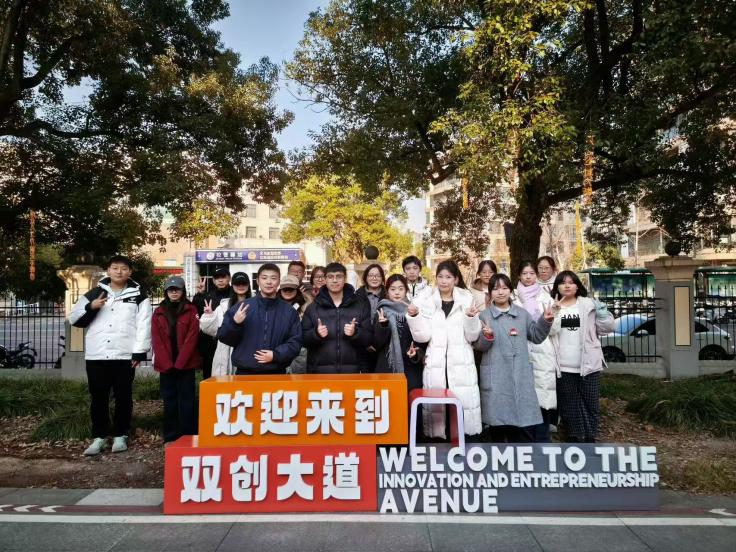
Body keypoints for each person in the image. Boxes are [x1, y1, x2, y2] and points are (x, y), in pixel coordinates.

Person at [69, 255, 151, 456]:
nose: (119, 272)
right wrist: (91, 307)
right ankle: (99, 437)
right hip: (97, 355)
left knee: (124, 396)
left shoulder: (139, 296)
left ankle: (121, 435)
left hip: (124, 355)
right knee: (98, 397)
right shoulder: (95, 293)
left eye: (124, 268)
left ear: (130, 272)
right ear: (108, 270)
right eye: (115, 268)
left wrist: (139, 352)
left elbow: (144, 325)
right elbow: (74, 319)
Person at [472, 273, 555, 443]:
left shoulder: (522, 314)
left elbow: (536, 336)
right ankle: (499, 456)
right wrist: (487, 336)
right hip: (496, 376)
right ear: (490, 292)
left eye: (504, 288)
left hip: (519, 375)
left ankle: (519, 457)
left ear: (510, 290)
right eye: (496, 289)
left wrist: (545, 321)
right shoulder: (484, 316)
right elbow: (479, 346)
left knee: (520, 424)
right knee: (497, 425)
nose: (500, 292)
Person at [406, 259, 482, 439]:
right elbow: (422, 337)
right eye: (440, 276)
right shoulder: (427, 301)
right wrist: (414, 316)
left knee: (463, 411)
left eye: (448, 277)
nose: (444, 281)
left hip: (461, 363)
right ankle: (438, 444)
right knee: (437, 413)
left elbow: (472, 336)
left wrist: (471, 319)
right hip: (436, 363)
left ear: (456, 279)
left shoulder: (466, 300)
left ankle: (465, 444)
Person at [549, 270, 614, 443]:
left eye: (571, 282)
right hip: (563, 365)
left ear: (577, 286)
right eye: (563, 282)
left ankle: (590, 436)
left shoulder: (588, 305)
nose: (567, 286)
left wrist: (603, 314)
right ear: (557, 287)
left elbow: (607, 328)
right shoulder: (552, 305)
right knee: (569, 404)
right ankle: (574, 437)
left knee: (591, 402)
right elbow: (550, 331)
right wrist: (554, 312)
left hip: (589, 364)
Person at [217, 264, 303, 375]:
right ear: (258, 281)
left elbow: (295, 342)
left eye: (273, 278)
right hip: (245, 373)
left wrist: (276, 355)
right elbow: (224, 338)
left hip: (277, 373)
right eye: (264, 278)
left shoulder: (289, 312)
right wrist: (235, 323)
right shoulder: (241, 307)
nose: (269, 282)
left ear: (279, 282)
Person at [150, 276, 200, 443]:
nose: (173, 292)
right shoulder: (158, 312)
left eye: (177, 289)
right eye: (170, 289)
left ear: (182, 291)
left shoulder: (191, 310)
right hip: (166, 366)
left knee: (187, 401)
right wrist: (167, 364)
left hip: (186, 365)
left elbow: (192, 339)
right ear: (166, 292)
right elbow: (156, 340)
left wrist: (180, 363)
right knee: (169, 401)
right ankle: (171, 436)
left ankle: (189, 435)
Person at [302, 262, 374, 373]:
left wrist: (355, 333)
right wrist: (316, 334)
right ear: (325, 279)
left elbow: (369, 339)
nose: (334, 280)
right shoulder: (313, 308)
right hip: (320, 373)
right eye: (330, 277)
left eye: (339, 276)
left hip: (354, 372)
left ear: (345, 278)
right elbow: (303, 339)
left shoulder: (360, 305)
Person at [374, 274, 423, 390]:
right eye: (393, 289)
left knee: (409, 400)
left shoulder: (413, 310)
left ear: (406, 290)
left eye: (401, 289)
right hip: (387, 367)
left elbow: (421, 339)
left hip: (410, 367)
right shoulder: (382, 311)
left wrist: (416, 354)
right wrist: (383, 326)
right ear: (387, 291)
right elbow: (377, 343)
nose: (397, 292)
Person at [199, 272, 252, 376]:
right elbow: (212, 330)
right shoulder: (224, 306)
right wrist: (209, 316)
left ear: (248, 285)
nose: (241, 286)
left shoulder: (256, 304)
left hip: (249, 348)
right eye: (237, 283)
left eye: (244, 283)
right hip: (226, 350)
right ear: (233, 285)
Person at [192, 267, 231, 379]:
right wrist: (200, 294)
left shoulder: (235, 294)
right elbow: (197, 313)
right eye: (217, 278)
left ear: (229, 278)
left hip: (230, 341)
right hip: (210, 344)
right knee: (210, 374)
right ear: (213, 281)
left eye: (223, 277)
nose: (220, 280)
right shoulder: (208, 296)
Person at [278, 274, 310, 374]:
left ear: (297, 290)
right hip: (278, 349)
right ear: (280, 290)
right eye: (285, 289)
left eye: (291, 289)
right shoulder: (273, 305)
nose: (288, 291)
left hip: (300, 352)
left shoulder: (305, 306)